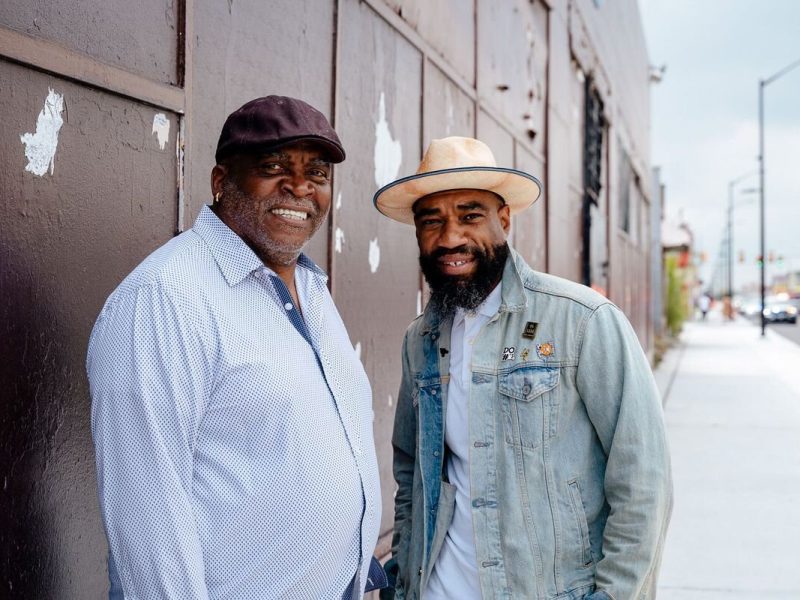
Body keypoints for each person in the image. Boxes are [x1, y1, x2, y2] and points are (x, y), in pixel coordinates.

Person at [87, 96, 385, 599]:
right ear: (221, 182)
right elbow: (148, 518)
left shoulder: (309, 288)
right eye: (273, 167)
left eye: (317, 173)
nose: (300, 187)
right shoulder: (165, 298)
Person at [375, 137, 672, 600]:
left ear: (504, 219)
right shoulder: (421, 340)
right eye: (431, 221)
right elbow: (412, 472)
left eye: (469, 216)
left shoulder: (581, 320)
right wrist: (403, 575)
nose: (450, 237)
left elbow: (643, 480)